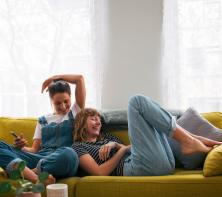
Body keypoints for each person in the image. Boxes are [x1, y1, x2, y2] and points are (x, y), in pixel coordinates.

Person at [72, 94, 221, 176]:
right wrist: (121, 149)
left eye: (98, 119)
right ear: (81, 124)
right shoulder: (78, 146)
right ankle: (190, 141)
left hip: (162, 163)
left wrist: (115, 144)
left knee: (156, 122)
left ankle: (194, 140)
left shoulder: (108, 138)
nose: (97, 122)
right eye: (92, 119)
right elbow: (99, 173)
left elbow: (136, 147)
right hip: (135, 167)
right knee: (136, 102)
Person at [0, 74, 86, 183]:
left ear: (71, 98)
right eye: (58, 103)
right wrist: (22, 147)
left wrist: (54, 78)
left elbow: (79, 79)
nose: (63, 106)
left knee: (71, 154)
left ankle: (28, 172)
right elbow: (34, 150)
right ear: (51, 101)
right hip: (40, 158)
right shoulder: (42, 120)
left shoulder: (75, 112)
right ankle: (36, 178)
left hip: (61, 160)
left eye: (66, 101)